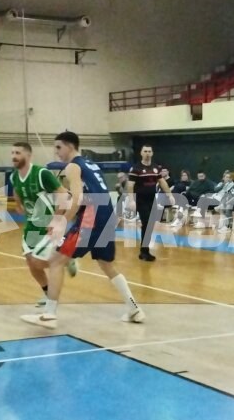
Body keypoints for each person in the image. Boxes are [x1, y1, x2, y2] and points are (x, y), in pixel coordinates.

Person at [36, 131, 146, 327]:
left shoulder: (72, 166)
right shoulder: (91, 164)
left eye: (59, 147)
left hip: (92, 216)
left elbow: (78, 199)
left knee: (56, 260)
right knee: (106, 264)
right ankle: (133, 308)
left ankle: (49, 314)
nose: (57, 152)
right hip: (107, 214)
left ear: (70, 146)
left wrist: (61, 222)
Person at [10, 142, 76, 311]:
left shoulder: (41, 173)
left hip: (47, 224)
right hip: (31, 224)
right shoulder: (14, 176)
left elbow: (64, 195)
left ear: (28, 155)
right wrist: (18, 204)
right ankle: (47, 292)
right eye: (12, 153)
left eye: (18, 153)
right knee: (31, 262)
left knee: (39, 262)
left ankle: (65, 259)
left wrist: (57, 219)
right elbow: (16, 190)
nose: (14, 156)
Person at [128, 145, 172, 261]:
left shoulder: (156, 167)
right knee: (147, 223)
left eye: (149, 151)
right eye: (145, 151)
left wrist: (170, 195)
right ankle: (144, 251)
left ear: (152, 153)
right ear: (141, 153)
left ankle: (144, 250)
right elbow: (130, 185)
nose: (147, 153)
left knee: (150, 224)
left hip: (152, 199)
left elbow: (162, 182)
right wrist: (131, 200)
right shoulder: (136, 168)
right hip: (140, 199)